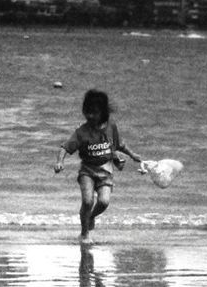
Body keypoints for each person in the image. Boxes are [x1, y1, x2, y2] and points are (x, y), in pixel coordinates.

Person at [54, 88, 147, 245]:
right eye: (87, 112)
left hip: (106, 171)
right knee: (88, 201)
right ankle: (84, 234)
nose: (90, 116)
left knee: (103, 202)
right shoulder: (81, 132)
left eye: (94, 113)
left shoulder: (111, 126)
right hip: (87, 171)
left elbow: (119, 145)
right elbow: (65, 147)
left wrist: (133, 155)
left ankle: (90, 217)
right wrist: (59, 162)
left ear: (103, 113)